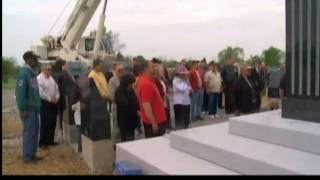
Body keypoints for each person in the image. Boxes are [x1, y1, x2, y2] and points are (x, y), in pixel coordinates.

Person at [15, 51, 42, 163]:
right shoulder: (24, 74)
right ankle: (27, 157)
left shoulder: (32, 73)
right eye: (34, 58)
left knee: (35, 131)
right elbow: (20, 94)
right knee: (29, 132)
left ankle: (32, 154)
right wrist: (22, 109)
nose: (36, 60)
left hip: (35, 109)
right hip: (28, 110)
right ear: (27, 60)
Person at [137, 60, 167, 138]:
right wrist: (153, 122)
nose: (156, 68)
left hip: (158, 121)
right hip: (154, 124)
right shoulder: (146, 84)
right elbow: (146, 106)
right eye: (153, 67)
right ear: (146, 69)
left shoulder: (151, 81)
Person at [37, 64, 60, 148]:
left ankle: (50, 140)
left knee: (53, 122)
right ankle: (42, 142)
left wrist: (57, 97)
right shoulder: (39, 79)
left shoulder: (51, 79)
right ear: (43, 70)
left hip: (53, 103)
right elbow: (40, 93)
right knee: (45, 123)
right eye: (48, 69)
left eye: (50, 69)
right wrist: (50, 99)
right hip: (45, 103)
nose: (50, 71)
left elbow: (56, 89)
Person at [115, 74, 140, 142]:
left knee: (131, 138)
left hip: (131, 120)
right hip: (124, 120)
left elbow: (136, 100)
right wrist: (135, 109)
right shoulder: (119, 91)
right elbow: (125, 104)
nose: (131, 85)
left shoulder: (130, 89)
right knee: (126, 139)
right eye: (130, 83)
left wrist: (138, 108)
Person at [108, 63, 126, 145]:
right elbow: (112, 97)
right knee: (116, 127)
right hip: (117, 107)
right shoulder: (112, 81)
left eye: (123, 70)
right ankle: (115, 144)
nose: (121, 72)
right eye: (119, 70)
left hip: (125, 107)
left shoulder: (125, 80)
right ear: (115, 71)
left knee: (124, 126)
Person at [173, 64, 192, 130]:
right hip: (179, 104)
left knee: (186, 122)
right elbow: (182, 89)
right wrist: (186, 82)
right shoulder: (175, 81)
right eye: (183, 74)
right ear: (178, 74)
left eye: (185, 73)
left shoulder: (185, 80)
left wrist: (187, 81)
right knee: (180, 124)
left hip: (186, 103)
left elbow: (190, 88)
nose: (184, 75)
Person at [71, 80, 82, 154]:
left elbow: (72, 108)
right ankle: (80, 147)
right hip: (82, 119)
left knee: (79, 133)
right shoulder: (83, 101)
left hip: (78, 119)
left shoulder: (75, 101)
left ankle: (79, 148)